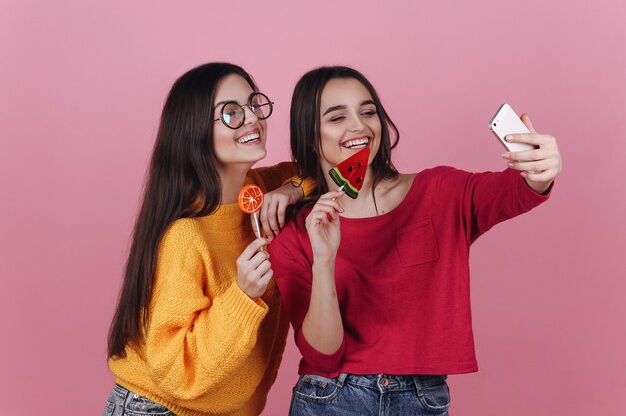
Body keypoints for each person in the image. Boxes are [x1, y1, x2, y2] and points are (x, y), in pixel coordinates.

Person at [268, 66, 562, 416]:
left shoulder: (439, 192)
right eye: (337, 117)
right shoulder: (292, 232)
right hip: (329, 398)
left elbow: (517, 191)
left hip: (422, 400)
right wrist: (324, 259)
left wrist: (540, 169)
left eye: (367, 111)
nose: (359, 126)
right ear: (311, 137)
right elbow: (323, 355)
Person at [103, 62, 314, 416]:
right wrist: (243, 295)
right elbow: (175, 371)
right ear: (195, 131)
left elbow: (321, 169)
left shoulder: (259, 189)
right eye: (231, 113)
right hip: (163, 407)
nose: (252, 118)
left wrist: (292, 189)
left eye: (253, 104)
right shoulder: (185, 235)